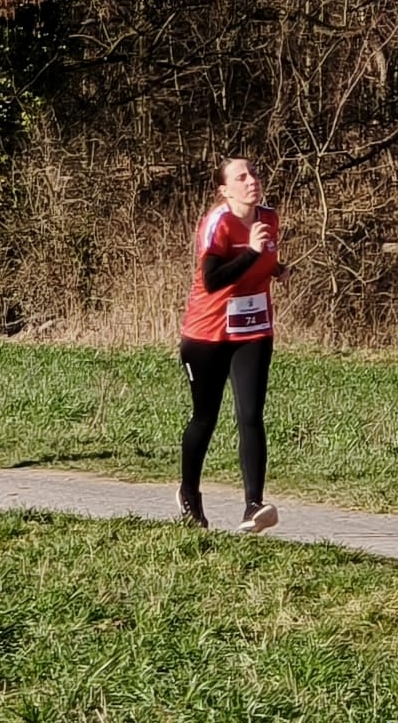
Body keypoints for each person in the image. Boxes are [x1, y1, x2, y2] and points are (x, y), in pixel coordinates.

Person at [177, 157, 288, 533]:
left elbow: (263, 259)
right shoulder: (218, 223)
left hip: (253, 330)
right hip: (207, 335)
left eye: (253, 173)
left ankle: (253, 505)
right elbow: (212, 280)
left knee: (251, 415)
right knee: (204, 418)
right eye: (241, 177)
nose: (251, 180)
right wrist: (252, 253)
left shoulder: (268, 218)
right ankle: (189, 494)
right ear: (224, 190)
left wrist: (275, 268)